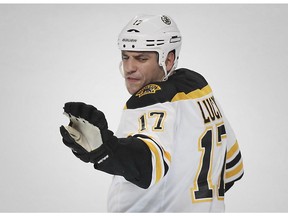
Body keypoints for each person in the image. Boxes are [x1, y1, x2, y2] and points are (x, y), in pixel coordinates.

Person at [60, 14, 244, 212]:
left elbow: (148, 165)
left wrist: (105, 150)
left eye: (141, 58)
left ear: (168, 59)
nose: (129, 67)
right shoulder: (198, 87)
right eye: (125, 57)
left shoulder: (150, 98)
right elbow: (232, 168)